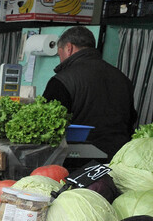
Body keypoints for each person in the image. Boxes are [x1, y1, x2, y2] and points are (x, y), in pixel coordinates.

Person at [41, 27, 137, 158]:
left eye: (59, 54)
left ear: (69, 48)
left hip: (76, 158)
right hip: (119, 157)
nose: (60, 59)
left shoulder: (62, 81)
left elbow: (46, 127)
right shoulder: (122, 78)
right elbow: (130, 120)